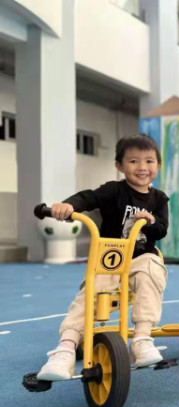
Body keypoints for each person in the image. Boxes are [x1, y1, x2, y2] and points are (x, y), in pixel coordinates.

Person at [37, 134, 169, 380]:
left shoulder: (159, 199)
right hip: (111, 257)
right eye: (133, 161)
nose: (142, 167)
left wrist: (150, 221)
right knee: (92, 290)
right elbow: (88, 197)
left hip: (142, 255)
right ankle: (66, 348)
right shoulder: (113, 190)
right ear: (119, 165)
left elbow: (161, 229)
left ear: (158, 165)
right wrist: (68, 206)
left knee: (151, 272)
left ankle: (141, 338)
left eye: (149, 161)